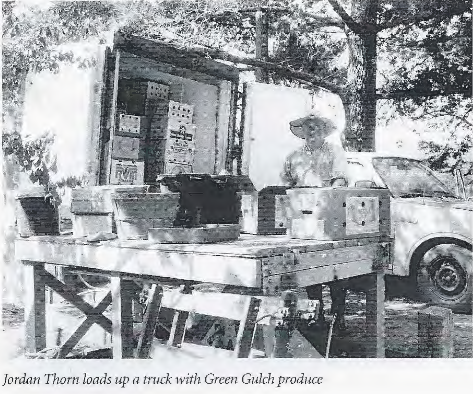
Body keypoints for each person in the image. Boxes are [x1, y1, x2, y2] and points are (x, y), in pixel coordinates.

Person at [281, 113, 348, 330]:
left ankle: (339, 316)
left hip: (328, 214)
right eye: (308, 127)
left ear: (323, 130)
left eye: (316, 127)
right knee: (311, 268)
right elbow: (286, 182)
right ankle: (315, 315)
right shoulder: (293, 156)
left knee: (336, 270)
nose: (312, 131)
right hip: (302, 217)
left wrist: (332, 193)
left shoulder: (334, 152)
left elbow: (341, 178)